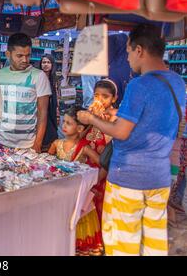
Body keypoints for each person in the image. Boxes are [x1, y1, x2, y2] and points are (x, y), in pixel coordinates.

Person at [77, 24, 186, 256]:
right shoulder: (177, 82)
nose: (126, 59)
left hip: (129, 180)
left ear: (139, 50)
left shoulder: (139, 84)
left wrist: (90, 118)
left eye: (127, 52)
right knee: (153, 243)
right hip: (159, 177)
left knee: (122, 244)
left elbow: (121, 132)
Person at [48, 106, 102, 256]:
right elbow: (46, 163)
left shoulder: (84, 148)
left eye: (68, 123)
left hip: (79, 195)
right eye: (63, 122)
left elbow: (101, 163)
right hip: (60, 193)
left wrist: (91, 179)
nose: (63, 126)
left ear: (79, 128)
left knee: (77, 222)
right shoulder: (56, 144)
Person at [0, 33, 51, 152]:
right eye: (19, 56)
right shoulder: (0, 74)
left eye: (28, 55)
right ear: (8, 54)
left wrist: (37, 144)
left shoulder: (39, 76)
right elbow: (0, 108)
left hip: (27, 145)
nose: (25, 60)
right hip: (1, 141)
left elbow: (43, 113)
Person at [83, 79, 119, 223]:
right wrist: (89, 119)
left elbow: (113, 147)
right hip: (88, 166)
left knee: (102, 202)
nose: (100, 100)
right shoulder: (90, 114)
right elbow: (80, 137)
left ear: (114, 98)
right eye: (96, 96)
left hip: (104, 169)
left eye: (105, 96)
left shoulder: (116, 116)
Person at [36, 54, 59, 151]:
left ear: (52, 64)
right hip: (41, 109)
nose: (46, 64)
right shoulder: (37, 78)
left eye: (48, 62)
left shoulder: (54, 79)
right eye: (44, 62)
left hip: (52, 109)